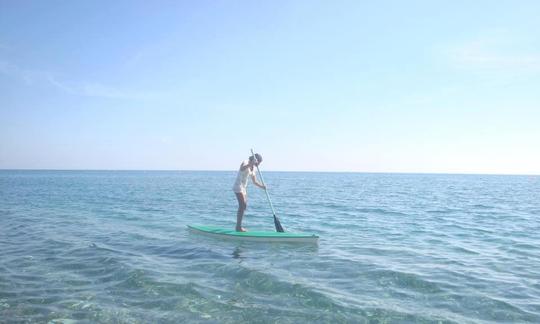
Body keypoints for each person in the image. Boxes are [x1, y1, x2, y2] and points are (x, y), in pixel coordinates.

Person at [232, 153, 266, 232]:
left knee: (244, 206)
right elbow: (242, 168)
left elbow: (254, 181)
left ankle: (239, 226)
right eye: (259, 162)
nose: (259, 164)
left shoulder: (253, 168)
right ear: (255, 160)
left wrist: (262, 186)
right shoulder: (246, 162)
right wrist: (250, 163)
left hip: (244, 188)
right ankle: (238, 227)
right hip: (238, 186)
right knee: (242, 205)